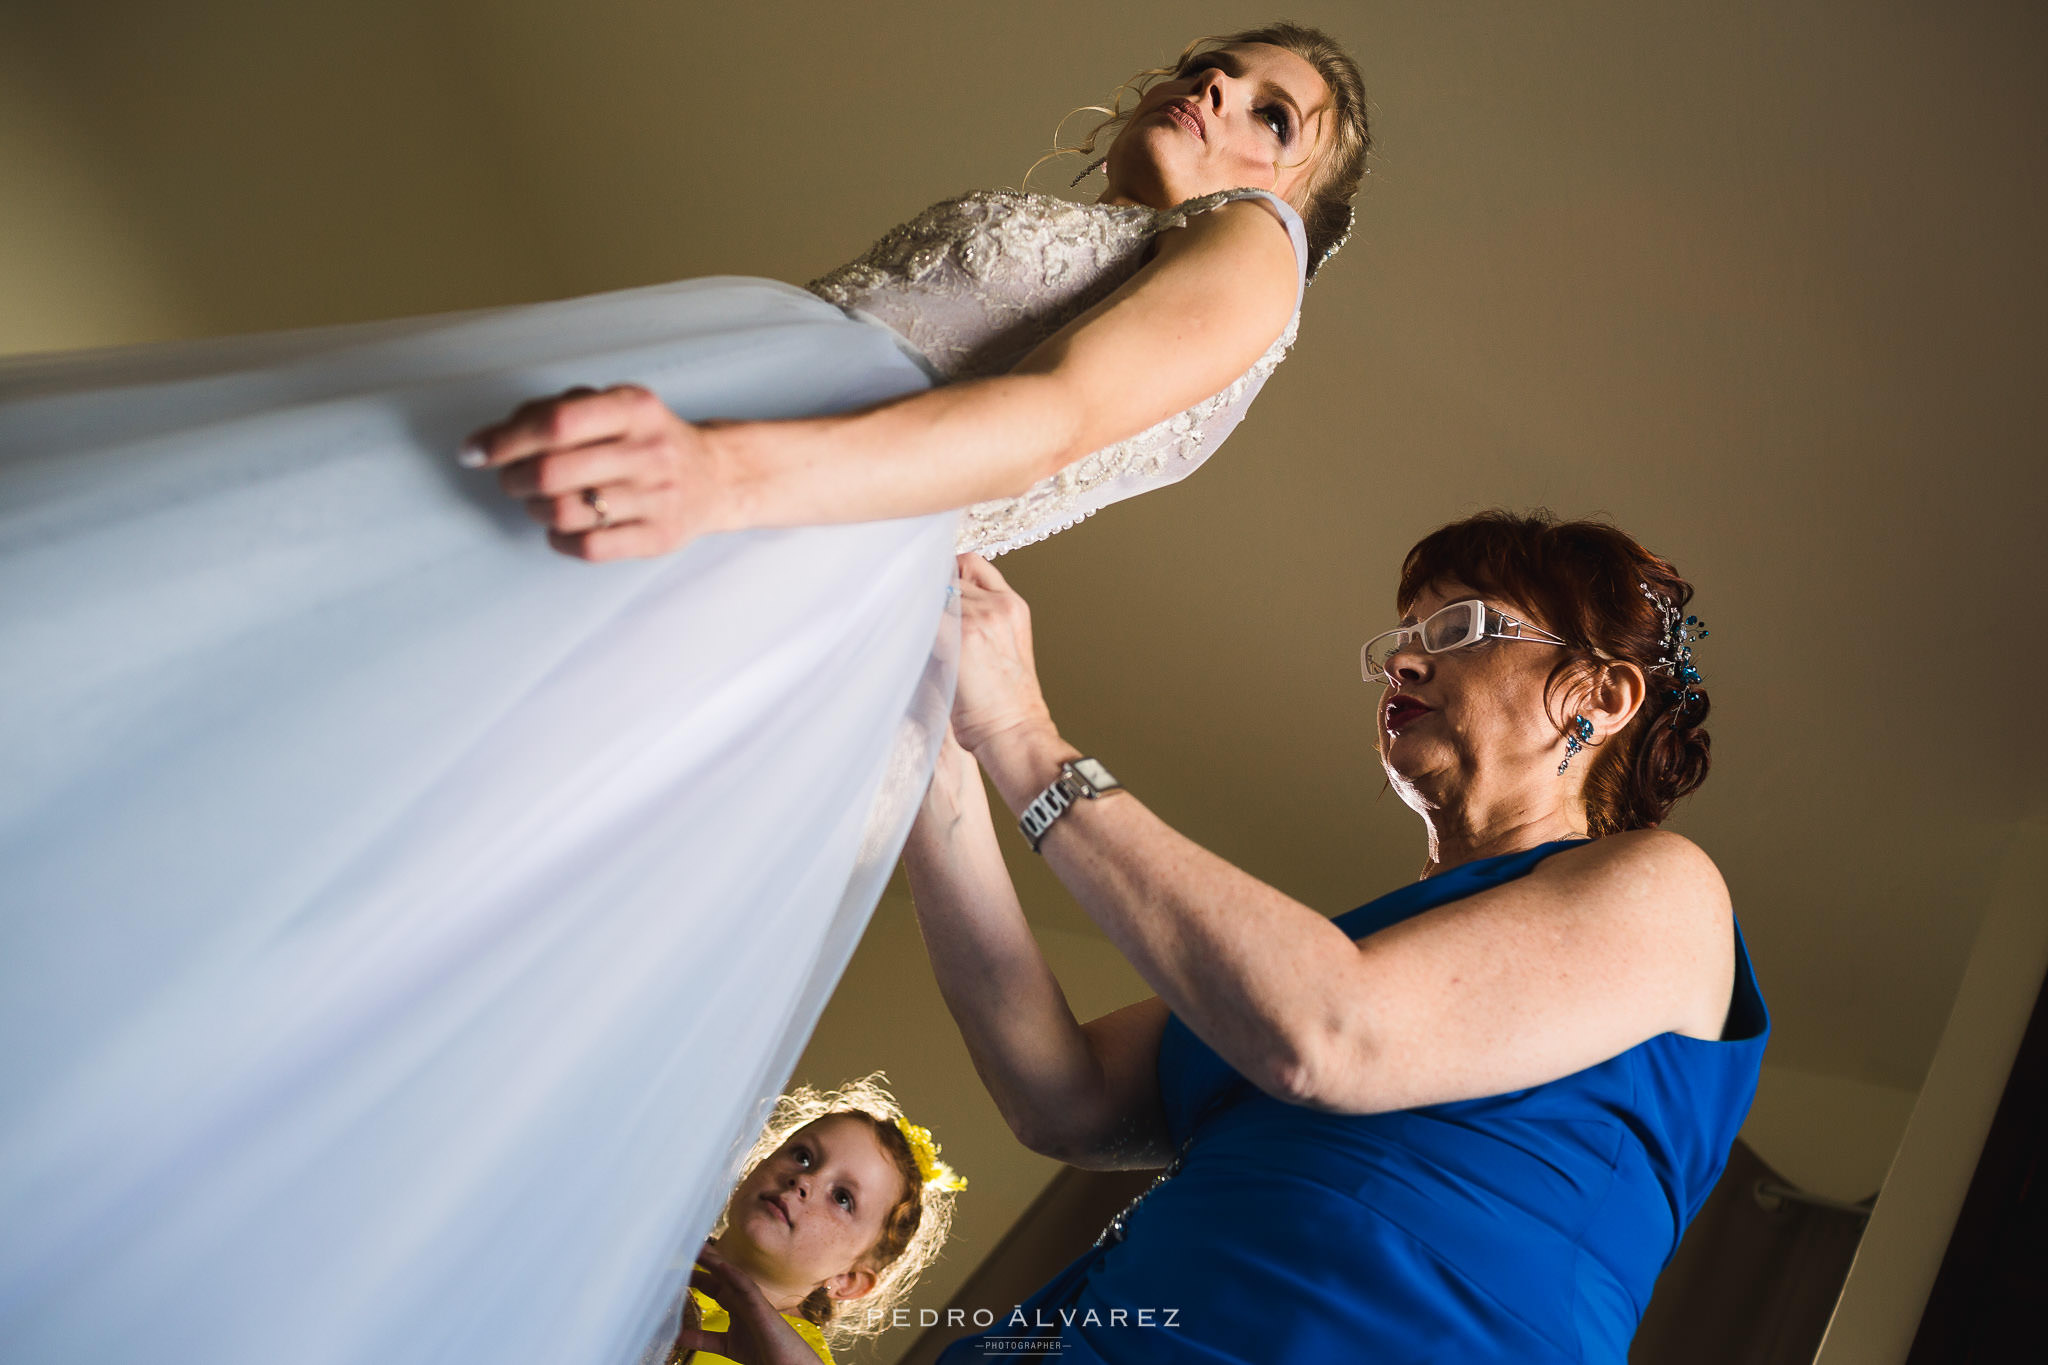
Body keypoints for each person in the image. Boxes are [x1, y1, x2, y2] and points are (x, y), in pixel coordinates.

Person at [0, 23, 1369, 1365]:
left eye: (1274, 115)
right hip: (781, 501)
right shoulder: (1163, 242)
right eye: (1218, 69)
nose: (1220, 92)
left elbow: (1060, 414)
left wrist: (724, 478)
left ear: (1303, 190)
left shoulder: (1259, 244)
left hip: (758, 510)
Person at [904, 511, 1768, 1362]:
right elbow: (1066, 1099)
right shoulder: (1328, 952)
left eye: (1460, 625)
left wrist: (1021, 736)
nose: (1400, 657)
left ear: (1600, 694)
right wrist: (935, 760)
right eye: (1401, 633)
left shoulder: (1668, 892)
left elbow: (1329, 1031)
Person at [663, 1076, 964, 1365]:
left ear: (847, 1280)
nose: (804, 1180)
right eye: (803, 1156)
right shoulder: (656, 1240)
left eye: (842, 1198)